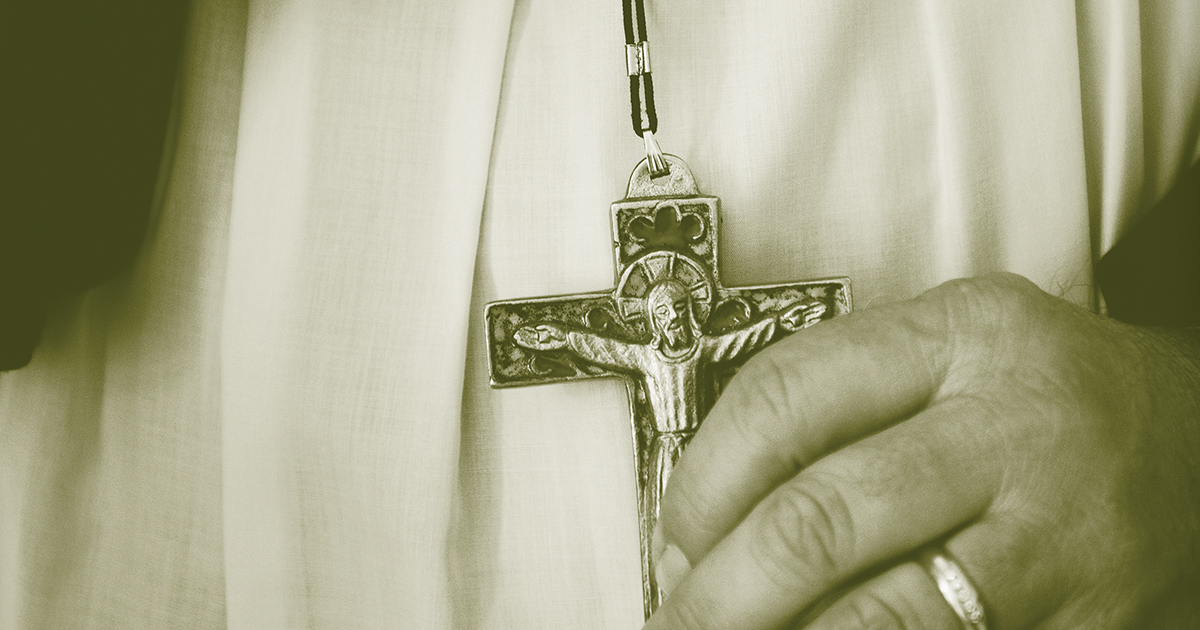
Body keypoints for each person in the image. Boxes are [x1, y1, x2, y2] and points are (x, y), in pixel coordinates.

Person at [1, 0, 1198, 629]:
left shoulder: (703, 330)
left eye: (678, 318)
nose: (672, 327)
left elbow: (754, 326)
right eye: (660, 318)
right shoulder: (622, 333)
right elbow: (570, 335)